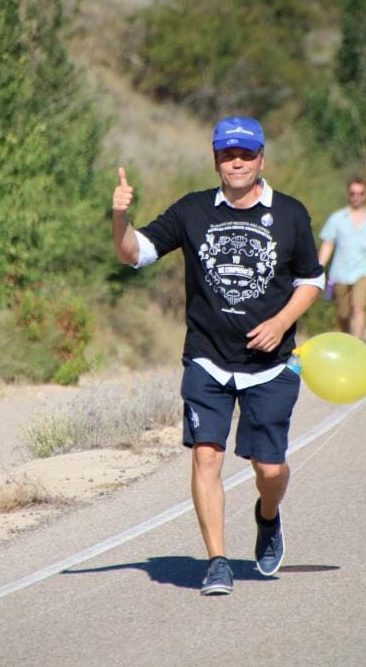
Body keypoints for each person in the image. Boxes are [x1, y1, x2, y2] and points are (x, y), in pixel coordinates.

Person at [112, 116, 324, 595]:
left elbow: (312, 281)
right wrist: (121, 217)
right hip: (206, 358)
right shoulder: (192, 210)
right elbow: (133, 254)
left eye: (246, 154)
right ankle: (218, 561)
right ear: (215, 160)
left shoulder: (290, 213)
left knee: (269, 469)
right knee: (207, 456)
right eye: (228, 154)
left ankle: (267, 517)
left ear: (261, 159)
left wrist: (280, 322)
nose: (237, 162)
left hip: (270, 367)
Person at [318, 178, 366, 340]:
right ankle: (346, 339)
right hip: (340, 272)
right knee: (343, 312)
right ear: (348, 194)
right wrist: (318, 268)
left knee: (358, 307)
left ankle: (357, 341)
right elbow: (328, 244)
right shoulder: (337, 218)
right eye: (353, 193)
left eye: (361, 193)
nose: (357, 197)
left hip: (364, 270)